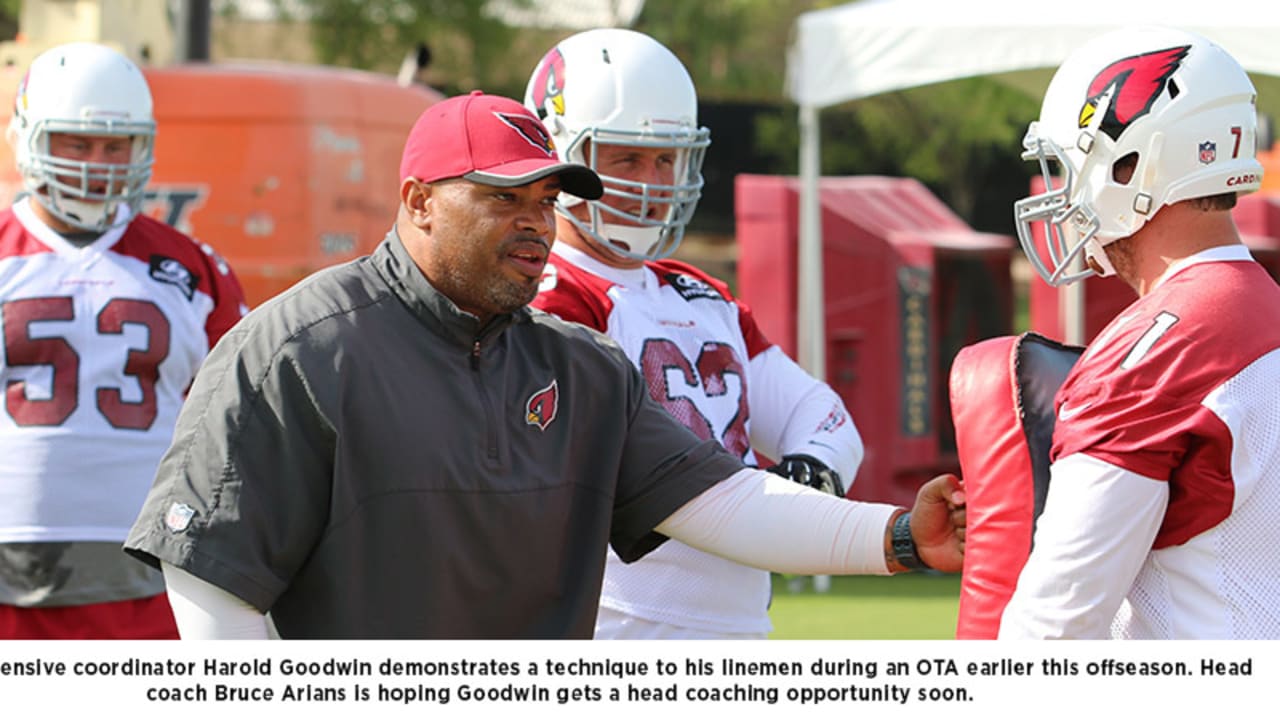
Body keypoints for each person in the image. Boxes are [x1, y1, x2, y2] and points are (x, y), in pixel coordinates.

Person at [122, 90, 964, 640]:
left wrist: (895, 536)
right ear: (418, 200)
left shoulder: (584, 368)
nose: (537, 224)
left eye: (547, 203)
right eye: (503, 198)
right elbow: (213, 587)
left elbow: (724, 502)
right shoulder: (294, 349)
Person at [524, 28, 862, 639]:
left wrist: (812, 472)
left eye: (666, 158)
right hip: (621, 625)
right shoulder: (549, 297)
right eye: (627, 157)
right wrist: (857, 533)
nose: (653, 183)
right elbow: (640, 485)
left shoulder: (701, 296)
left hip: (739, 622)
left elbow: (821, 413)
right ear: (560, 158)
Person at [998, 26, 1280, 639]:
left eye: (1070, 165)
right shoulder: (1263, 313)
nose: (1061, 193)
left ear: (1131, 164)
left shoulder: (1155, 355)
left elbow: (1055, 627)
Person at [0, 42, 247, 639]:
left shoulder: (193, 268)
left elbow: (239, 422)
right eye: (76, 143)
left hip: (147, 561)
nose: (96, 164)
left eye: (116, 146)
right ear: (30, 136)